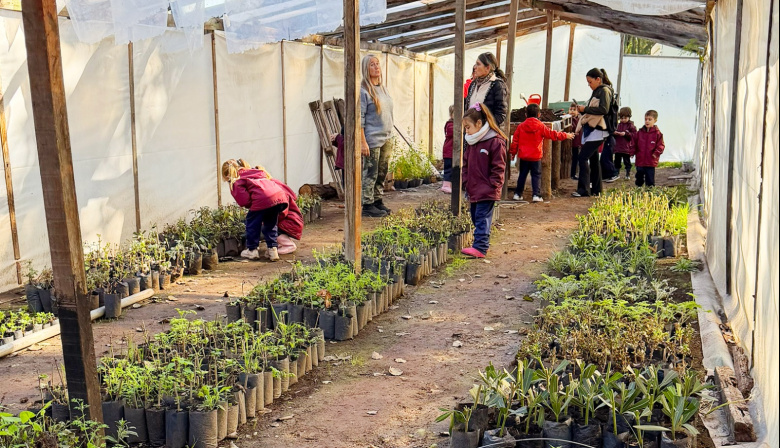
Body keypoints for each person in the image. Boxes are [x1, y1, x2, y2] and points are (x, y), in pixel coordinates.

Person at [460, 103, 507, 259]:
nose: (466, 131)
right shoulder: (473, 142)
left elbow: (499, 167)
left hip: (487, 190)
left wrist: (494, 184)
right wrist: (465, 180)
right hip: (474, 188)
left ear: (479, 123)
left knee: (481, 218)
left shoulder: (495, 142)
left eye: (468, 127)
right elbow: (465, 164)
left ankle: (480, 247)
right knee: (475, 216)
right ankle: (480, 244)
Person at [222, 159, 288, 261]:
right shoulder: (256, 172)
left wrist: (254, 206)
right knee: (270, 224)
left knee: (252, 224)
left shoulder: (237, 180)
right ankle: (273, 250)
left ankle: (252, 251)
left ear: (227, 175)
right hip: (278, 198)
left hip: (262, 200)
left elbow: (244, 201)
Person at [235, 159, 303, 255]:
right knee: (268, 224)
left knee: (264, 225)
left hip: (289, 221)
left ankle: (287, 245)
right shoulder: (270, 185)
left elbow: (283, 212)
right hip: (287, 218)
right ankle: (273, 249)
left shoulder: (269, 186)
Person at [510, 104, 574, 203]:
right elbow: (552, 134)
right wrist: (565, 135)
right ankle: (536, 195)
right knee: (536, 175)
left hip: (524, 156)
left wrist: (512, 153)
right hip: (536, 157)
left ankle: (517, 194)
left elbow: (515, 141)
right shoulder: (541, 126)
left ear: (526, 114)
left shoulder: (520, 126)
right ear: (539, 114)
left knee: (522, 175)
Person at [360, 54, 394, 218]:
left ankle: (377, 200)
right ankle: (367, 204)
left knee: (382, 172)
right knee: (370, 172)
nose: (376, 67)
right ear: (366, 69)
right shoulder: (363, 91)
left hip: (386, 137)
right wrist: (362, 141)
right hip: (372, 139)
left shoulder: (383, 88)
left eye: (377, 64)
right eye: (372, 65)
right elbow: (360, 118)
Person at [572, 68, 615, 198]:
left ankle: (584, 189)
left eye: (590, 82)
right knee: (593, 159)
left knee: (583, 157)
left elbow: (604, 109)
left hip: (599, 130)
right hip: (596, 130)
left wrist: (585, 109)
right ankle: (596, 189)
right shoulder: (600, 90)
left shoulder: (604, 91)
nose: (589, 85)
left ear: (598, 79)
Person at [465, 53, 509, 126]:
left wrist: (485, 127)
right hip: (472, 132)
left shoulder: (497, 85)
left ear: (487, 68)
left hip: (488, 133)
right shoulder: (473, 85)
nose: (475, 67)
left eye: (478, 64)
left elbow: (501, 114)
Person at [632, 110, 665, 187]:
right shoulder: (639, 133)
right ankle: (639, 187)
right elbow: (634, 143)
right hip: (640, 160)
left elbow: (661, 145)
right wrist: (632, 152)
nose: (647, 121)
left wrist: (656, 153)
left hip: (651, 161)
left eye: (650, 119)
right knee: (639, 174)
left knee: (650, 178)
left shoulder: (657, 134)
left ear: (655, 121)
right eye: (646, 119)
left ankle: (650, 190)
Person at [613, 107, 638, 179]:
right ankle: (616, 173)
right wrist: (615, 133)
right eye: (621, 118)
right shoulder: (617, 125)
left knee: (627, 162)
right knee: (617, 162)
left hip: (626, 148)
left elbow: (634, 135)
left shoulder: (631, 125)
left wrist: (626, 134)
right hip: (617, 148)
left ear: (629, 117)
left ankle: (628, 173)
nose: (623, 120)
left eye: (625, 118)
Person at [440, 105, 454, 194]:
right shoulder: (450, 124)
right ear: (451, 114)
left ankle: (451, 185)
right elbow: (453, 131)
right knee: (448, 169)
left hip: (453, 152)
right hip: (449, 152)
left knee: (454, 169)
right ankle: (446, 185)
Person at [569, 103, 582, 180]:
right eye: (571, 109)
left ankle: (573, 174)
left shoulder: (579, 119)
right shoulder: (569, 119)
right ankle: (571, 174)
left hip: (576, 143)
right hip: (570, 142)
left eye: (574, 110)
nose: (572, 111)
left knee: (575, 159)